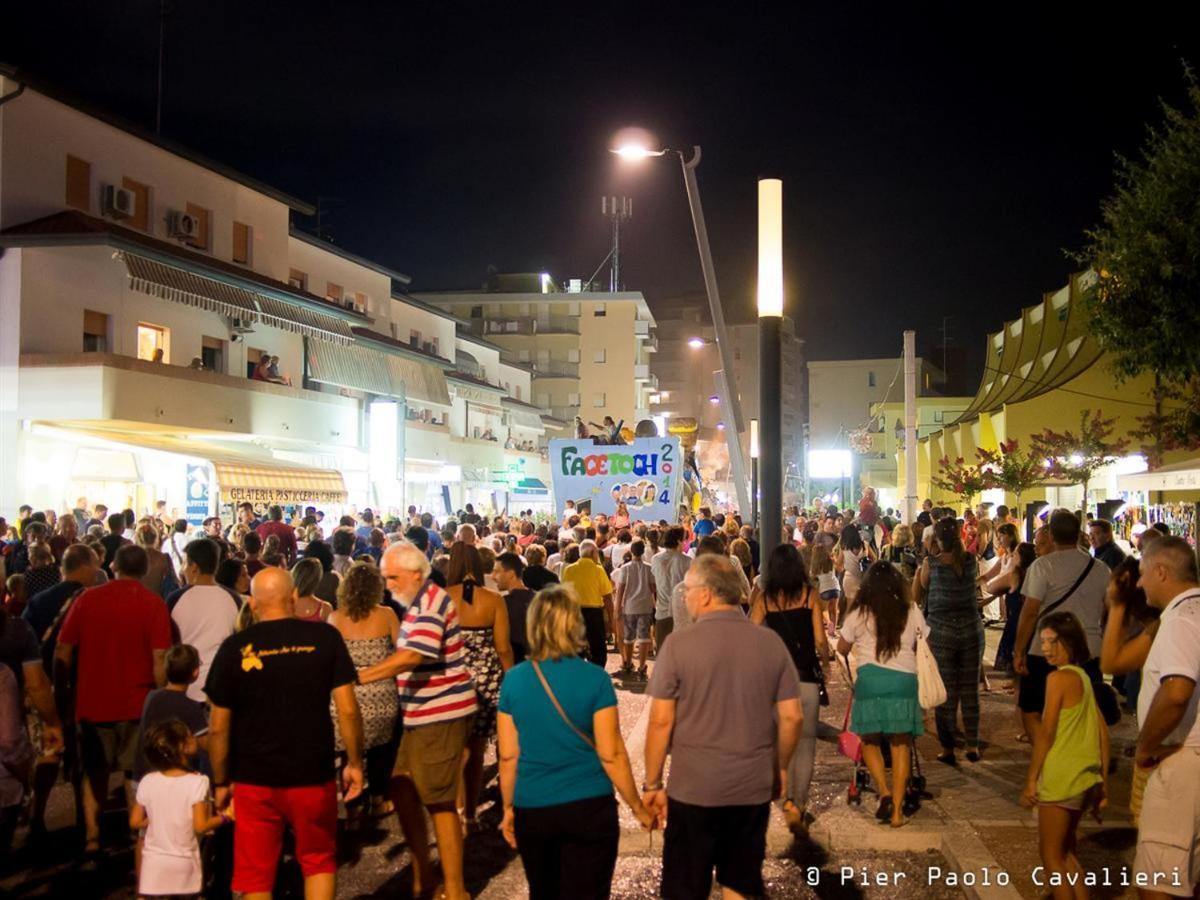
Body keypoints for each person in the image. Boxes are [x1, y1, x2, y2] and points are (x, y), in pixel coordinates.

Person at [643, 554, 802, 899]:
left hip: (693, 788)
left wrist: (652, 782)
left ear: (705, 594)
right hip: (750, 786)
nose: (683, 597)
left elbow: (660, 721)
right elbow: (792, 716)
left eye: (687, 590)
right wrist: (781, 767)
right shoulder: (769, 643)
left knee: (685, 886)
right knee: (741, 882)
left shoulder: (678, 645)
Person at [205, 566, 363, 900]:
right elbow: (348, 708)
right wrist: (354, 762)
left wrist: (220, 781)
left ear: (252, 603)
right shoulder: (324, 638)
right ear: (293, 597)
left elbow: (218, 727)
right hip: (312, 770)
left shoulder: (235, 648)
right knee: (318, 860)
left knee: (257, 873)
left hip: (253, 776)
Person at [497, 584, 654, 897]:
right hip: (589, 805)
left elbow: (508, 756)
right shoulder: (594, 679)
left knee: (544, 891)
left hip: (534, 804)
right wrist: (636, 805)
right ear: (575, 625)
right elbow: (611, 753)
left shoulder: (514, 679)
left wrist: (508, 808)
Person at [357, 542, 476, 900]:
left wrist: (361, 676)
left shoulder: (429, 603)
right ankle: (425, 874)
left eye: (392, 577)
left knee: (438, 801)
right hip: (424, 712)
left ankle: (453, 889)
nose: (387, 584)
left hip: (440, 712)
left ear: (414, 573)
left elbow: (411, 656)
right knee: (403, 787)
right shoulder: (419, 602)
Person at [56, 544, 172, 855]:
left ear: (113, 566)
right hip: (138, 701)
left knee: (95, 772)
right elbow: (160, 658)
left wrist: (64, 692)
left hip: (92, 703)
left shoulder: (87, 600)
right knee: (137, 776)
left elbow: (62, 652)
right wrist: (160, 698)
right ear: (145, 570)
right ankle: (138, 838)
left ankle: (92, 838)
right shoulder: (153, 604)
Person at [1125, 536, 1200, 898]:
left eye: (1142, 573)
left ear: (1161, 571)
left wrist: (1146, 746)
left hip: (1181, 763)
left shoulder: (1181, 621)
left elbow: (1176, 693)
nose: (1139, 583)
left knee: (1158, 883)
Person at [1020, 612, 1109, 900]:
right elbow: (1102, 732)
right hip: (1084, 778)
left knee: (1051, 858)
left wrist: (1031, 779)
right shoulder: (1083, 677)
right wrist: (1102, 781)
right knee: (1068, 854)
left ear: (1069, 641)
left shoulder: (1057, 679)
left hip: (1061, 779)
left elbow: (1045, 734)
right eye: (1043, 641)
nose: (1045, 648)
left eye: (1052, 641)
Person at [837, 561, 926, 827]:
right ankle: (898, 812)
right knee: (901, 744)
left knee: (869, 740)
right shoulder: (910, 609)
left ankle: (884, 792)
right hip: (904, 680)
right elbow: (923, 641)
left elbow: (841, 647)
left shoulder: (860, 612)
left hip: (871, 680)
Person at [1014, 509, 1113, 742]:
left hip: (1046, 648)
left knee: (1032, 707)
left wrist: (1019, 650)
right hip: (1089, 648)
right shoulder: (1100, 568)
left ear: (1052, 536)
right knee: (1084, 709)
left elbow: (1029, 612)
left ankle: (1047, 753)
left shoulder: (1043, 566)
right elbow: (1108, 610)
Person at [751, 543, 829, 834]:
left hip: (775, 682)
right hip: (806, 676)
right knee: (806, 743)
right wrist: (825, 662)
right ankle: (799, 803)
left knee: (778, 742)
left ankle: (784, 800)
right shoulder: (810, 595)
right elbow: (820, 639)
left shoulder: (765, 598)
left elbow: (752, 634)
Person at [444, 542, 514, 828]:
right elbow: (503, 647)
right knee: (476, 749)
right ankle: (471, 813)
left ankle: (456, 807)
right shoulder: (493, 599)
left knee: (454, 750)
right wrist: (513, 680)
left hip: (450, 679)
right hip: (486, 682)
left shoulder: (441, 598)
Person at [328, 563, 401, 818]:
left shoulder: (335, 618)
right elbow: (402, 653)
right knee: (382, 750)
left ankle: (352, 805)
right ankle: (379, 798)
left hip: (345, 694)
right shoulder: (387, 615)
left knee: (348, 750)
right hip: (382, 693)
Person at [130, 719, 227, 898]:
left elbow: (135, 822)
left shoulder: (148, 780)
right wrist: (226, 817)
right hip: (184, 863)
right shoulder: (198, 781)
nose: (195, 738)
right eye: (191, 736)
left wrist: (155, 819)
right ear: (183, 746)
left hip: (153, 866)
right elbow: (201, 826)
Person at [914, 517, 984, 765]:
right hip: (970, 630)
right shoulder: (970, 560)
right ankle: (973, 745)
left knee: (945, 691)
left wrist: (928, 553)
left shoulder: (930, 564)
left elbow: (919, 591)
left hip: (941, 632)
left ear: (936, 539)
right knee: (969, 689)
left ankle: (948, 748)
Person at [169, 539, 241, 703]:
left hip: (185, 687)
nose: (182, 569)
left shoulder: (176, 599)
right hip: (220, 688)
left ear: (194, 567)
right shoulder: (233, 599)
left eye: (185, 563)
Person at [134, 644, 210, 785]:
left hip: (144, 776)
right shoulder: (190, 707)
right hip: (171, 779)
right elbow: (207, 745)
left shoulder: (151, 697)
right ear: (195, 673)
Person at [562, 540, 614, 668]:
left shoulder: (569, 570)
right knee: (598, 651)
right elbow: (607, 597)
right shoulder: (598, 569)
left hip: (574, 614)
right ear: (592, 552)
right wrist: (611, 619)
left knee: (575, 650)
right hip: (594, 614)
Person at [613, 540, 656, 678]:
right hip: (645, 606)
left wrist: (617, 607)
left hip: (629, 607)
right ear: (643, 552)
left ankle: (628, 663)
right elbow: (653, 588)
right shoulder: (649, 568)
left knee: (628, 638)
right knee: (644, 638)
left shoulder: (625, 568)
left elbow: (620, 590)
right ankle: (642, 666)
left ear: (631, 551)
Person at [650, 526, 691, 652]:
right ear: (679, 541)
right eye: (684, 539)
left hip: (661, 612)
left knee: (662, 655)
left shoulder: (656, 559)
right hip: (682, 613)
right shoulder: (687, 561)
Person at [495, 552, 535, 664]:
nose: (493, 576)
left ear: (511, 574)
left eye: (497, 571)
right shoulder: (539, 599)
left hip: (515, 665)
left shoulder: (503, 603)